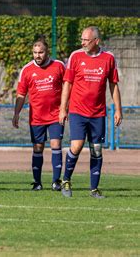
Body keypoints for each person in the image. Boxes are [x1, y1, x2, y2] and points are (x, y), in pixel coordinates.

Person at [59, 26, 122, 199]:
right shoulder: (76, 56)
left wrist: (118, 109)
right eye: (82, 40)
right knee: (77, 146)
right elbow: (68, 84)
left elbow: (113, 85)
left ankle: (94, 189)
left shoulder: (108, 58)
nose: (82, 43)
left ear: (96, 41)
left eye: (86, 40)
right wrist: (63, 108)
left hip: (98, 113)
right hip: (78, 111)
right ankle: (66, 180)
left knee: (96, 150)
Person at [12, 36, 65, 192]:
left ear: (47, 51)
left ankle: (56, 181)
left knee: (56, 145)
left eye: (40, 52)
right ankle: (37, 182)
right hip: (37, 117)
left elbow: (68, 87)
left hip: (56, 115)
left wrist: (65, 108)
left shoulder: (59, 66)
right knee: (38, 147)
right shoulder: (27, 70)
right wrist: (16, 114)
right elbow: (21, 94)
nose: (37, 56)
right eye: (35, 52)